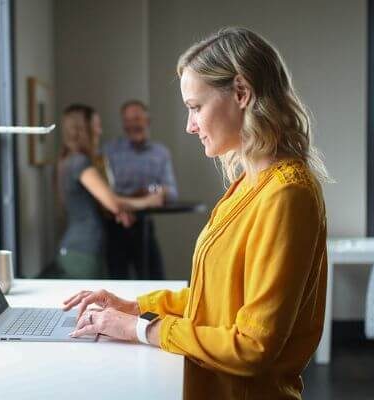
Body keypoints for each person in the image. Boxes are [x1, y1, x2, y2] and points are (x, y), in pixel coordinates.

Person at [62, 27, 330, 400]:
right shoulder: (250, 183)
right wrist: (135, 306)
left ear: (241, 93)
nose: (190, 126)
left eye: (195, 107)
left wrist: (140, 328)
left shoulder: (287, 194)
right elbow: (216, 301)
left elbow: (252, 346)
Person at [56, 104, 164, 279]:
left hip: (80, 249)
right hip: (83, 251)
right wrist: (150, 201)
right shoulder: (80, 163)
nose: (100, 131)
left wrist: (118, 212)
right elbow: (112, 201)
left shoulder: (70, 160)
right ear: (83, 129)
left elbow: (101, 204)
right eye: (96, 125)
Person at [102, 100, 179, 279]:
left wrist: (155, 191)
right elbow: (104, 192)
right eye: (127, 120)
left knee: (155, 280)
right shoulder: (108, 151)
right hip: (115, 226)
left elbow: (172, 193)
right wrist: (135, 200)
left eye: (136, 118)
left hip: (144, 227)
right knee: (117, 283)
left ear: (147, 120)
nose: (132, 124)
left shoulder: (161, 153)